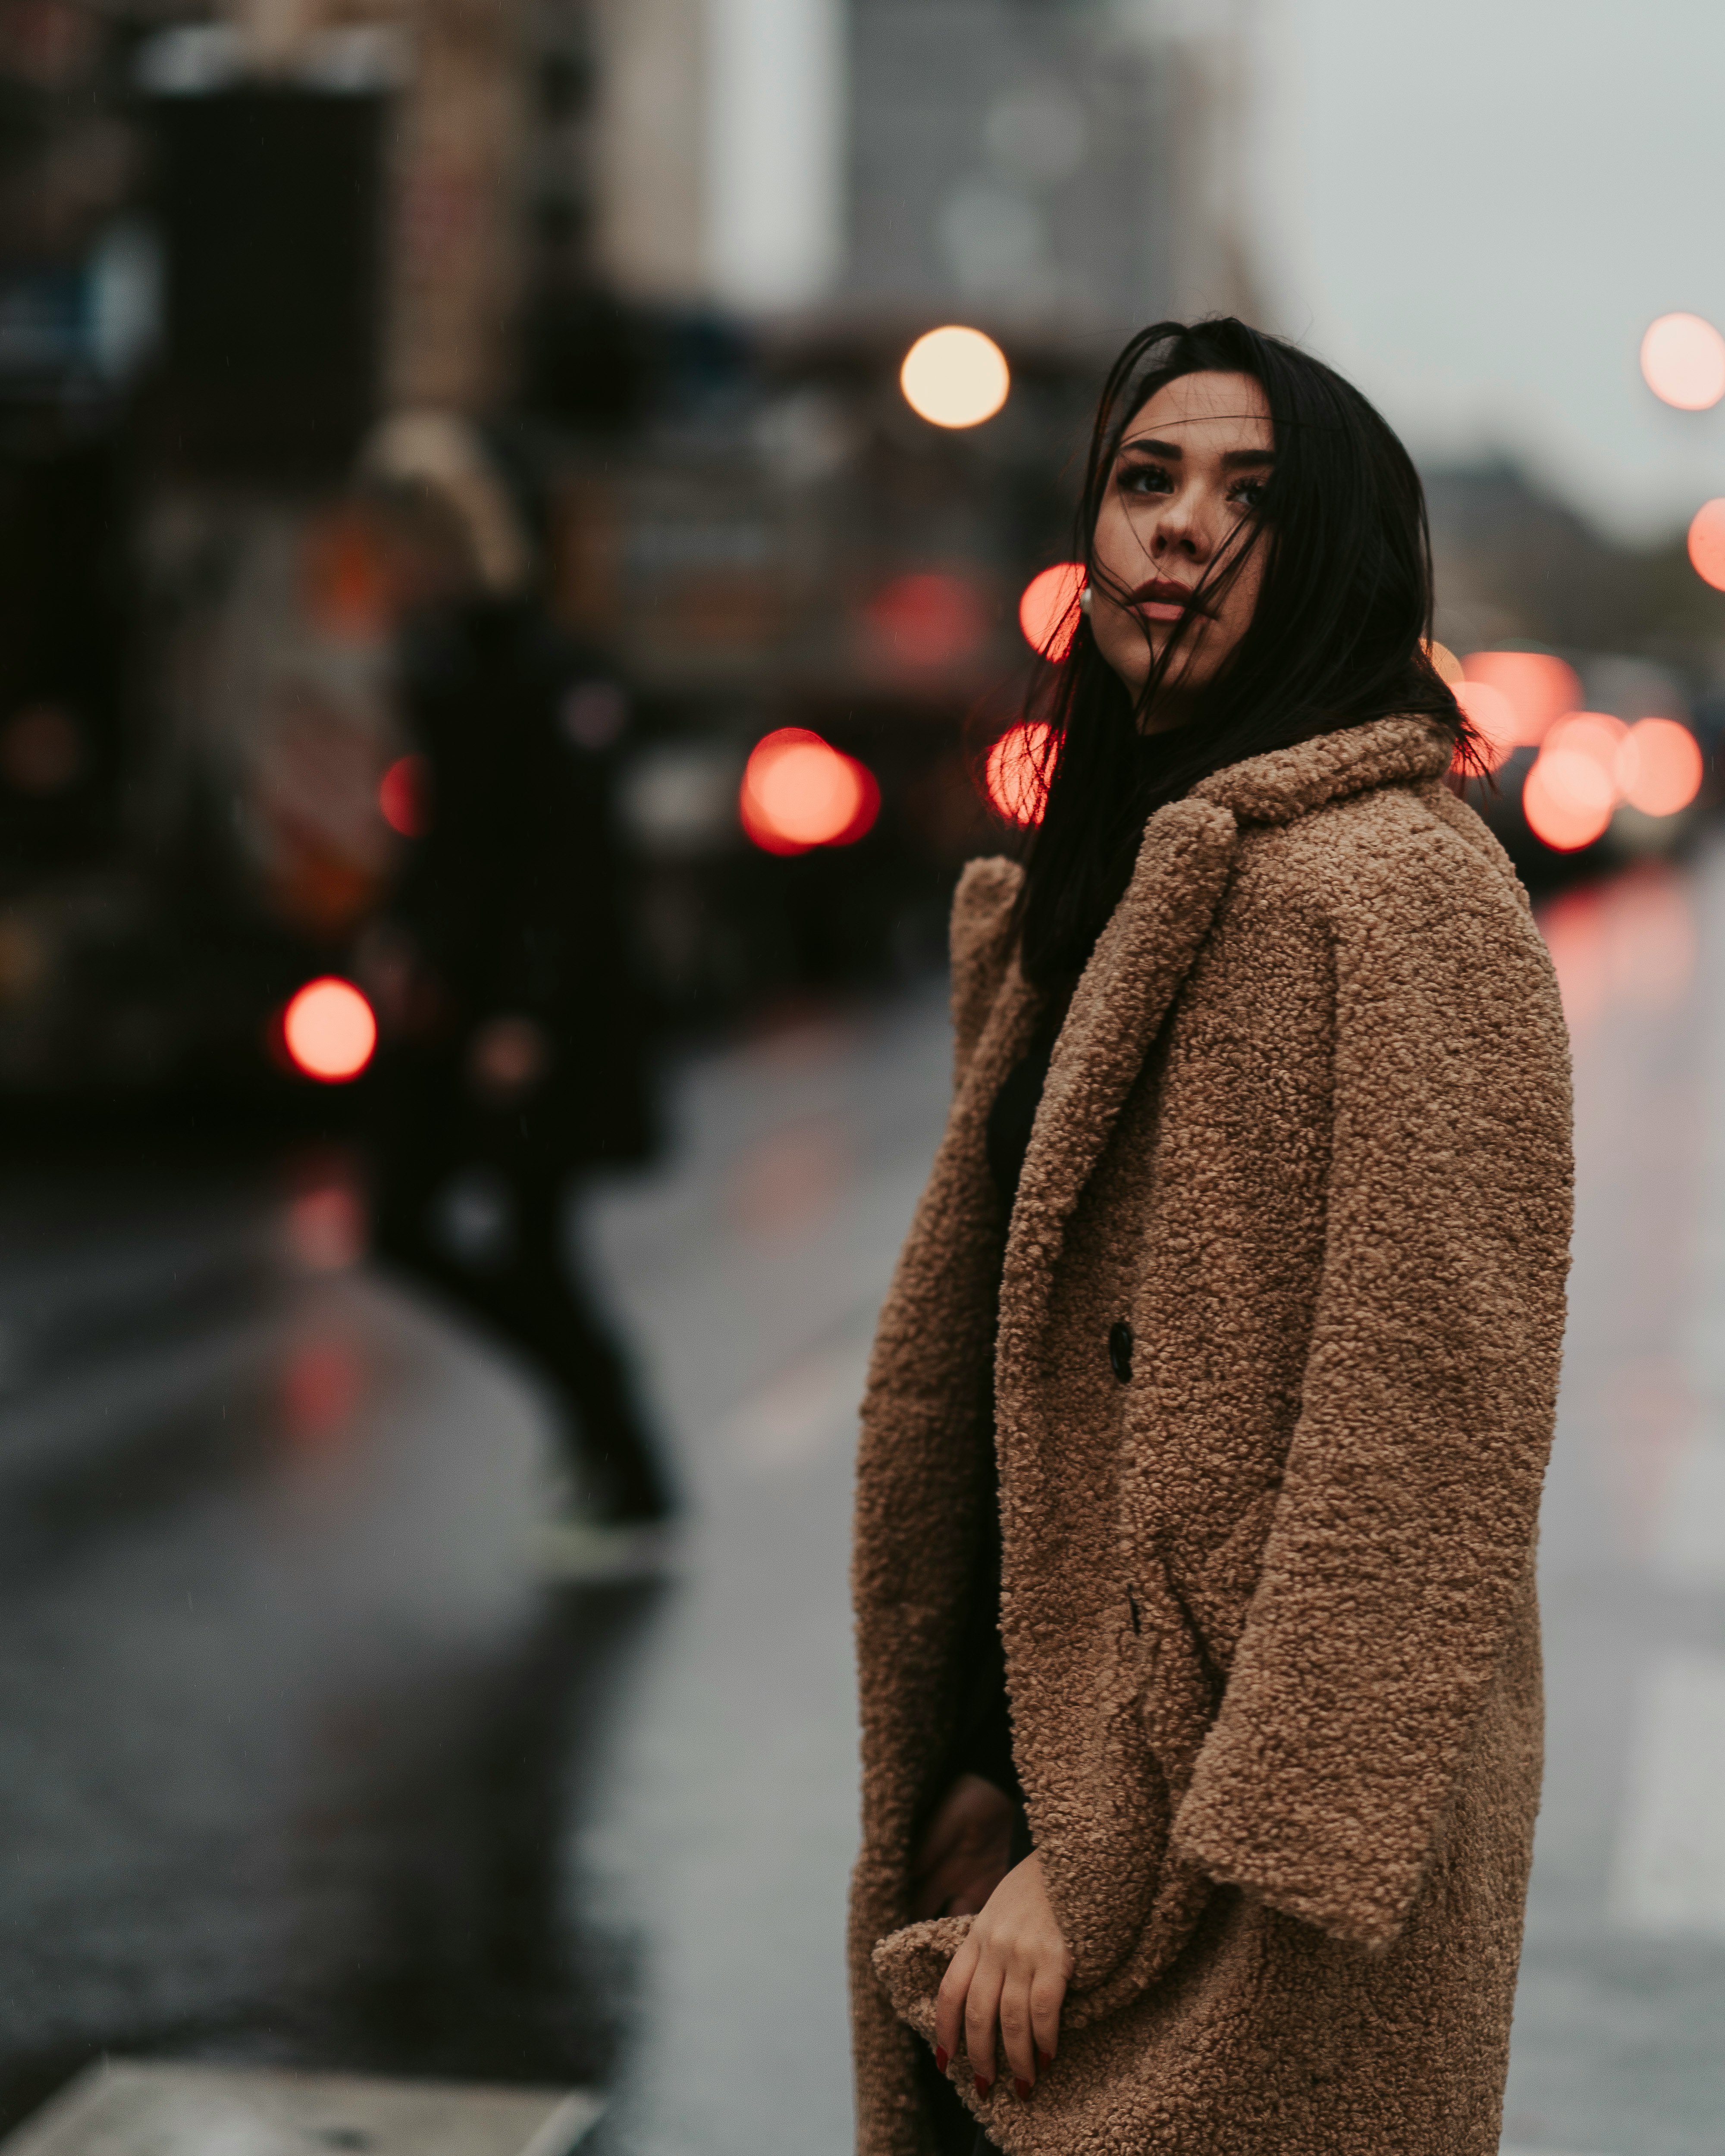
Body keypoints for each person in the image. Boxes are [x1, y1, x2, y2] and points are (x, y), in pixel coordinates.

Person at [847, 318, 1573, 2155]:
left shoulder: (1402, 887)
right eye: (1143, 478)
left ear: (1334, 557)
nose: (1179, 529)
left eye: (1251, 497)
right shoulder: (1097, 890)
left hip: (1243, 1873)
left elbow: (1419, 1452)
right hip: (1044, 1798)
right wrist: (981, 1772)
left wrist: (1104, 1862)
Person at [356, 412, 677, 1567]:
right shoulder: (446, 657)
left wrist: (526, 1014)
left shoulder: (549, 668)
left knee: (520, 1240)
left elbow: (567, 859)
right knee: (411, 1227)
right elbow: (444, 835)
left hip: (537, 1013)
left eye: (413, 541)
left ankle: (627, 1470)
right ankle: (608, 1447)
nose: (395, 565)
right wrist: (399, 934)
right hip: (466, 998)